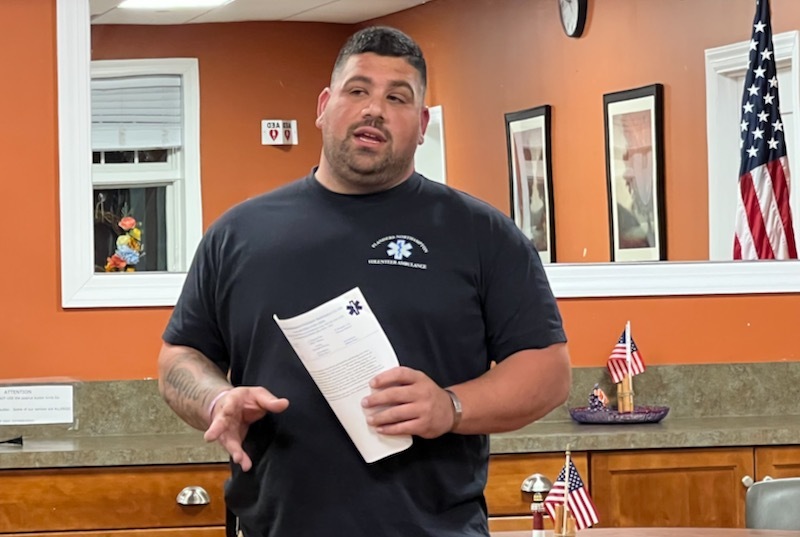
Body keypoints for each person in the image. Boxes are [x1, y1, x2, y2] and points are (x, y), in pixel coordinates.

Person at [158, 25, 571, 537]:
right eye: (358, 90)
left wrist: (452, 406)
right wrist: (216, 400)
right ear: (325, 105)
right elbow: (180, 356)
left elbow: (549, 372)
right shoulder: (239, 233)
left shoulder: (482, 234)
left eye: (397, 97)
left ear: (421, 125)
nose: (374, 108)